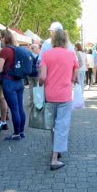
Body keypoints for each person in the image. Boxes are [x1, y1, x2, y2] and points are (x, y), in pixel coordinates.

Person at [39, 29, 78, 171]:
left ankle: (55, 150)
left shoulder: (46, 54)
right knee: (62, 125)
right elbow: (74, 77)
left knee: (52, 125)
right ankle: (55, 158)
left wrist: (40, 84)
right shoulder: (70, 55)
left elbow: (42, 77)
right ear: (65, 40)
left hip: (50, 95)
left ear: (54, 40)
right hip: (64, 95)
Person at [0, 29, 26, 141]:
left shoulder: (5, 51)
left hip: (9, 82)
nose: (0, 39)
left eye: (0, 37)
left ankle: (16, 134)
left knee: (14, 108)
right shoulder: (18, 49)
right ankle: (22, 132)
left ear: (4, 38)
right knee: (20, 108)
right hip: (19, 81)